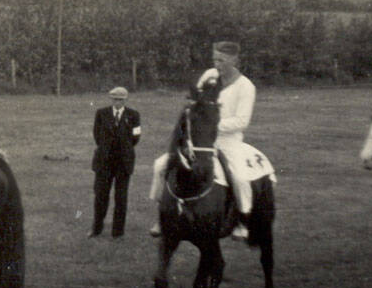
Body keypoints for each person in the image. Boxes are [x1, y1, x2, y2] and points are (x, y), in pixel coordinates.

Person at [149, 41, 255, 240]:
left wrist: (212, 125)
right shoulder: (209, 76)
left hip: (228, 141)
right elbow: (195, 102)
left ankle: (243, 220)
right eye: (215, 59)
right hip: (201, 140)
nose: (217, 64)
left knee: (240, 177)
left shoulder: (246, 87)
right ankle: (161, 215)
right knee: (160, 165)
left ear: (234, 60)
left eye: (222, 60)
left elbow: (242, 121)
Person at [88, 86, 141, 239]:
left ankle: (118, 233)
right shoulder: (101, 113)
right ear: (111, 99)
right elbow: (97, 135)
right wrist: (107, 149)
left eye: (121, 100)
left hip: (124, 163)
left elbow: (136, 137)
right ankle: (96, 229)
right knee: (100, 196)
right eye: (115, 99)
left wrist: (123, 148)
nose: (118, 102)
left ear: (126, 100)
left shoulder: (133, 115)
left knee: (121, 198)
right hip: (104, 162)